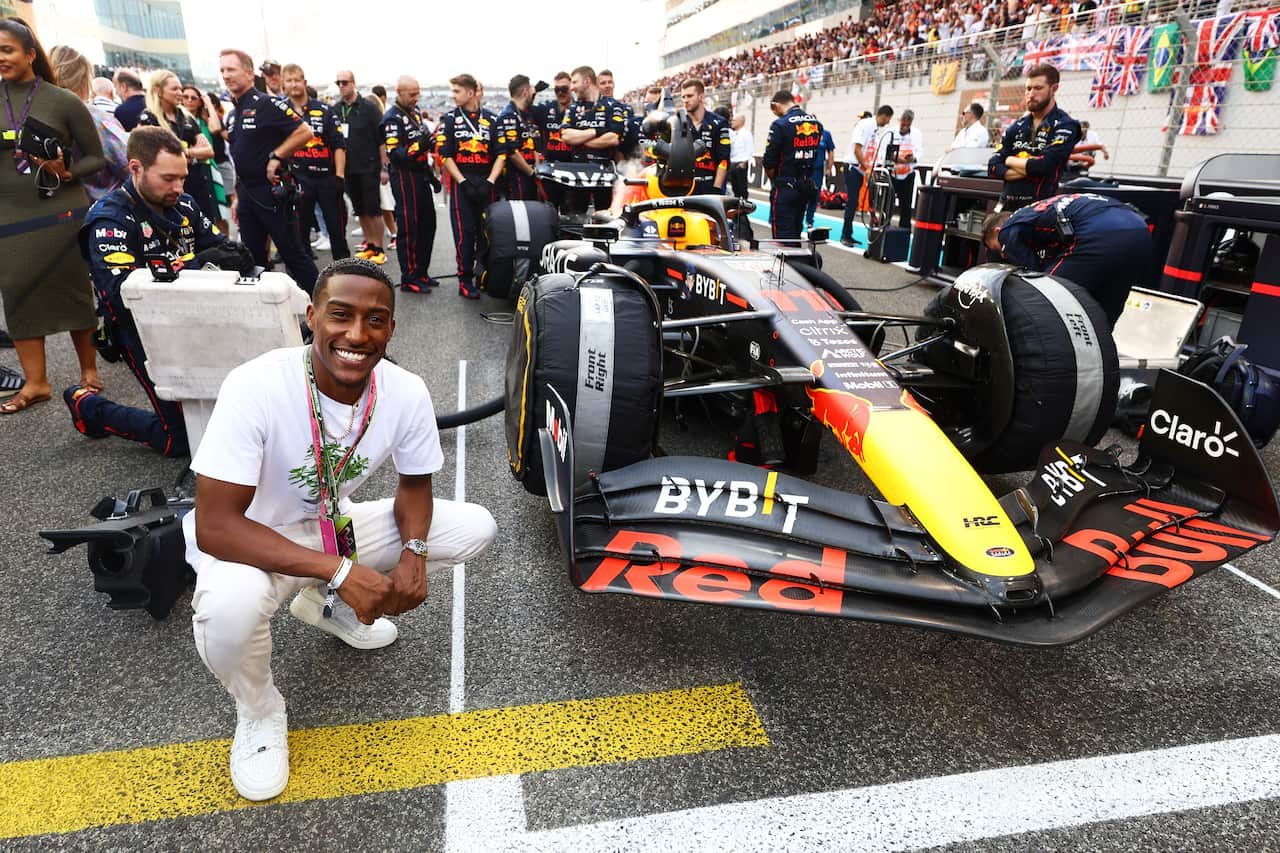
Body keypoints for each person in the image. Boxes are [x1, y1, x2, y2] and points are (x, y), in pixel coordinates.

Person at [186, 256, 497, 801]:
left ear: (392, 328)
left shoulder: (405, 391)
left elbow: (415, 486)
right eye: (340, 315)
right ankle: (260, 713)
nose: (357, 334)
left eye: (376, 319)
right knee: (228, 612)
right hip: (249, 541)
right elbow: (214, 526)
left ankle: (319, 603)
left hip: (332, 526)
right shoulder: (256, 385)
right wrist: (343, 571)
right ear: (311, 317)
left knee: (475, 526)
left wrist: (414, 555)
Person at [68, 126, 239, 454]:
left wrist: (233, 256)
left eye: (182, 177)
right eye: (168, 179)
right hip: (142, 333)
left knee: (230, 419)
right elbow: (122, 294)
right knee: (184, 441)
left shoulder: (183, 204)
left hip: (200, 319)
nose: (178, 187)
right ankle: (88, 408)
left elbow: (217, 248)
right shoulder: (110, 220)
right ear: (136, 168)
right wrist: (195, 263)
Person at [0, 17, 104, 415]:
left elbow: (96, 157)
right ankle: (36, 382)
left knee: (74, 291)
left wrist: (67, 172)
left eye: (8, 50)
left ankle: (89, 371)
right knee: (18, 294)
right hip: (9, 217)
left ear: (29, 54)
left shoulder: (62, 101)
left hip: (59, 212)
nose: (1, 58)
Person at [220, 48, 318, 293]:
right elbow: (239, 159)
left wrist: (277, 156)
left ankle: (322, 307)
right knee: (251, 259)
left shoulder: (267, 103)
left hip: (271, 192)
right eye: (222, 70)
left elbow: (305, 132)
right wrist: (236, 197)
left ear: (249, 73)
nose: (226, 75)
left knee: (293, 255)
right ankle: (265, 313)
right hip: (246, 194)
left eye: (231, 69)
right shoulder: (233, 114)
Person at [982, 192, 1152, 328]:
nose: (1003, 255)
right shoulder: (1038, 211)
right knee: (1104, 312)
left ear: (997, 231)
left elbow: (1031, 276)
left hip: (1099, 232)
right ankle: (1100, 356)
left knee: (1044, 297)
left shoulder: (1008, 228)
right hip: (1139, 230)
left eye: (997, 248)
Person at [436, 73, 503, 299]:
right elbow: (445, 156)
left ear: (471, 92)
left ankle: (482, 275)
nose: (453, 96)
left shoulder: (492, 119)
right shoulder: (449, 119)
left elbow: (501, 155)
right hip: (461, 183)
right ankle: (464, 279)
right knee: (464, 234)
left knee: (486, 233)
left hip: (486, 182)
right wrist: (463, 182)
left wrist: (490, 181)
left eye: (457, 91)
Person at [988, 64, 1081, 211]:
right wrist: (1031, 168)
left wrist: (1009, 160)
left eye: (1038, 88)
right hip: (1005, 208)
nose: (1031, 94)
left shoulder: (1066, 125)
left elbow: (1044, 166)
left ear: (1054, 88)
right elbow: (993, 167)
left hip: (1039, 211)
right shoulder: (1017, 126)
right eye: (1028, 89)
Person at [282, 64, 349, 261]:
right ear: (284, 85)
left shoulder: (324, 110)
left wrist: (339, 175)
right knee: (299, 234)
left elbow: (339, 145)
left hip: (326, 178)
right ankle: (303, 282)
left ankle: (345, 274)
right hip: (297, 179)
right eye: (289, 80)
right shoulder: (279, 111)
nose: (294, 84)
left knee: (337, 231)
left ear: (304, 82)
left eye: (297, 80)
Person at [48, 44, 128, 204]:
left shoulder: (36, 116)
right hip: (107, 213)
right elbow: (130, 165)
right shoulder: (97, 118)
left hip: (58, 212)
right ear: (84, 79)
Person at [382, 74, 440, 293]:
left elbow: (423, 145)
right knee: (409, 226)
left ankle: (421, 272)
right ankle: (409, 277)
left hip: (421, 175)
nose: (417, 97)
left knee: (428, 224)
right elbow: (396, 154)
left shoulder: (415, 113)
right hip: (404, 177)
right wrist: (419, 147)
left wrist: (432, 176)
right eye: (412, 94)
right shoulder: (392, 118)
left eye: (418, 93)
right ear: (399, 93)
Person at [137, 69, 218, 222]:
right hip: (168, 190)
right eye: (174, 89)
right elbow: (148, 157)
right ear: (158, 91)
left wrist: (184, 152)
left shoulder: (186, 117)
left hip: (196, 183)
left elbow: (208, 151)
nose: (180, 93)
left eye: (180, 88)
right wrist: (192, 152)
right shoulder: (148, 118)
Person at [331, 70, 388, 264]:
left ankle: (379, 247)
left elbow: (382, 140)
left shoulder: (369, 108)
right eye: (338, 82)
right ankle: (370, 244)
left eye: (344, 82)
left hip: (369, 167)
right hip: (348, 169)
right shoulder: (336, 109)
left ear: (353, 83)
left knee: (374, 210)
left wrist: (384, 168)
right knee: (360, 210)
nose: (341, 86)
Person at [560, 65, 625, 214]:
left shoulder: (613, 106)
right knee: (575, 220)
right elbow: (565, 136)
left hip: (605, 172)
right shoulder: (573, 108)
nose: (572, 87)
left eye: (575, 82)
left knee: (605, 220)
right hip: (577, 172)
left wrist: (580, 140)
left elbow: (613, 139)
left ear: (587, 81)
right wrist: (596, 131)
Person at [761, 89, 822, 242]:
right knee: (795, 233)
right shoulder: (816, 124)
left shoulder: (780, 124)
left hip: (785, 186)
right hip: (805, 185)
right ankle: (796, 264)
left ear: (775, 105)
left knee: (782, 238)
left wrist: (776, 180)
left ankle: (787, 265)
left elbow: (769, 161)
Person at [840, 105, 890, 247]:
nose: (887, 123)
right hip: (854, 168)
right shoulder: (865, 125)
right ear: (884, 115)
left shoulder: (874, 130)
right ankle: (845, 235)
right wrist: (867, 167)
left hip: (862, 169)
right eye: (888, 119)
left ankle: (848, 234)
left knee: (856, 203)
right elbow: (857, 149)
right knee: (852, 202)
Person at [183, 85, 231, 232]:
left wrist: (208, 103)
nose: (189, 101)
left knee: (219, 213)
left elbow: (216, 128)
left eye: (194, 98)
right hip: (189, 173)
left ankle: (225, 247)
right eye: (186, 97)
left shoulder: (203, 120)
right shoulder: (178, 120)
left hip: (210, 169)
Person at [680, 78, 730, 196]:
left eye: (689, 96)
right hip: (684, 189)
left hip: (710, 188)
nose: (685, 100)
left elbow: (724, 161)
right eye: (683, 97)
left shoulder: (719, 122)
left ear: (701, 97)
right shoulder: (678, 123)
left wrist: (716, 190)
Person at [495, 74, 541, 201]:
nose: (534, 93)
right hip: (516, 176)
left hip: (531, 172)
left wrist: (537, 169)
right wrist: (531, 173)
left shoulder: (527, 114)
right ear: (525, 92)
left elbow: (533, 142)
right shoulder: (508, 115)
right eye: (532, 89)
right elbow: (512, 152)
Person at [875, 109, 923, 230]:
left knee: (906, 205)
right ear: (899, 121)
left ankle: (905, 231)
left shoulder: (916, 134)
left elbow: (919, 151)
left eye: (908, 125)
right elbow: (881, 153)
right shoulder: (889, 132)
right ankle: (883, 227)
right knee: (887, 204)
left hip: (907, 174)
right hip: (892, 173)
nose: (905, 127)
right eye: (903, 124)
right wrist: (893, 159)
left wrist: (911, 159)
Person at [533, 71, 573, 210]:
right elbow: (521, 111)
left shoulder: (580, 109)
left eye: (564, 89)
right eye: (557, 89)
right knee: (548, 211)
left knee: (572, 214)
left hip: (573, 169)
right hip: (549, 170)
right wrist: (533, 92)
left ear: (571, 88)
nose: (560, 92)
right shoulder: (546, 108)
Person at [367, 85, 398, 252]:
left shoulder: (383, 122)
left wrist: (384, 168)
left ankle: (394, 233)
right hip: (371, 169)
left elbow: (384, 147)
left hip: (381, 170)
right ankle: (374, 238)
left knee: (385, 205)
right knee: (376, 206)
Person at [805, 118, 835, 230]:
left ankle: (809, 220)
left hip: (817, 169)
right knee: (801, 194)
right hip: (804, 168)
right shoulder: (803, 133)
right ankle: (797, 217)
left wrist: (829, 167)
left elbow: (831, 151)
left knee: (815, 195)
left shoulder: (826, 134)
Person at [728, 114, 753, 200]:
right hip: (732, 163)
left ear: (740, 122)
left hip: (740, 164)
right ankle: (736, 208)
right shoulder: (733, 133)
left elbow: (749, 149)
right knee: (735, 189)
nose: (732, 122)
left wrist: (744, 162)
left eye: (734, 120)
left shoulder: (746, 134)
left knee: (742, 188)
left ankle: (744, 208)